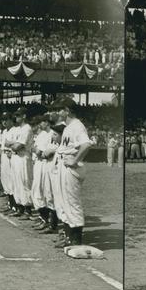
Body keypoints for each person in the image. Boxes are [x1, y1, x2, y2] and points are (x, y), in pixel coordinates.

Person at [51, 97, 94, 248]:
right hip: (64, 165)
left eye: (59, 109)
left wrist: (74, 161)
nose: (57, 112)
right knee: (64, 202)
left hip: (71, 167)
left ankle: (76, 240)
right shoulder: (68, 126)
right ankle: (68, 237)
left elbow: (86, 144)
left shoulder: (77, 126)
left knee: (72, 202)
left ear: (67, 110)